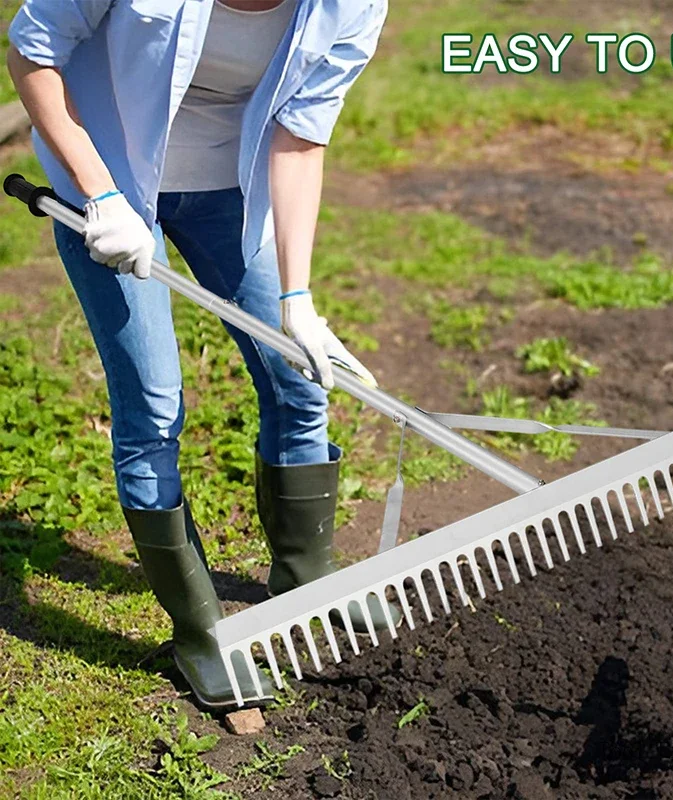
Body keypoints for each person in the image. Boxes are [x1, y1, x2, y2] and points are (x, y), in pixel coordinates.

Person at [6, 0, 398, 711]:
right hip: (112, 186)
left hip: (232, 192)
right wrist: (100, 195)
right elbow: (32, 48)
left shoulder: (354, 4)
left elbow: (301, 137)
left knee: (298, 379)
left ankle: (306, 573)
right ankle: (198, 632)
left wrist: (298, 297)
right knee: (154, 409)